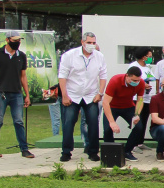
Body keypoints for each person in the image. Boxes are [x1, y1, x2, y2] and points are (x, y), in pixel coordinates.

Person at [57, 31, 107, 162]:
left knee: (93, 123)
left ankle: (93, 151)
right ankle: (66, 152)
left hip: (91, 95)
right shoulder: (69, 55)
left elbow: (103, 76)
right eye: (89, 43)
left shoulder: (99, 56)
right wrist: (64, 95)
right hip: (72, 94)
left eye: (93, 43)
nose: (91, 45)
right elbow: (62, 76)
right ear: (82, 42)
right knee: (68, 123)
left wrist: (100, 93)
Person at [0, 31, 34, 158]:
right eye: (15, 40)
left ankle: (24, 149)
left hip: (16, 93)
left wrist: (26, 94)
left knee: (19, 121)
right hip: (0, 93)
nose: (18, 42)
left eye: (19, 40)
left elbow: (23, 76)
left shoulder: (21, 56)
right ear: (7, 40)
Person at [101, 67, 146, 161]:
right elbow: (105, 102)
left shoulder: (141, 82)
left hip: (128, 107)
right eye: (134, 80)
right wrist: (112, 122)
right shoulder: (115, 80)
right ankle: (110, 153)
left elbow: (140, 100)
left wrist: (137, 114)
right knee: (108, 129)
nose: (136, 82)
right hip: (112, 107)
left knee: (139, 127)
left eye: (138, 80)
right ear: (127, 76)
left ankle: (127, 151)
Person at [128, 47, 156, 150]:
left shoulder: (148, 67)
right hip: (137, 98)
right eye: (149, 56)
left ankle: (140, 142)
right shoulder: (134, 66)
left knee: (144, 120)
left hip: (147, 98)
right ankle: (133, 144)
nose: (150, 58)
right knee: (137, 120)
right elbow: (131, 80)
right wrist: (142, 85)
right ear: (143, 57)